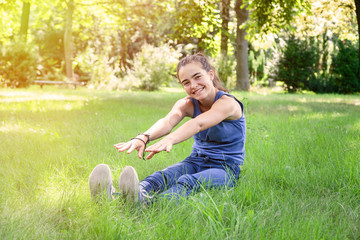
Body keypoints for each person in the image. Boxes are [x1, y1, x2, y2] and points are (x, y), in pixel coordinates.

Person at [89, 53, 246, 204]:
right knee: (161, 177)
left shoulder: (228, 104)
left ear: (210, 75)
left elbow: (198, 124)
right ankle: (115, 198)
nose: (193, 85)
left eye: (198, 77)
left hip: (225, 169)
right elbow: (168, 121)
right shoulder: (187, 104)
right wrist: (143, 137)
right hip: (196, 160)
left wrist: (170, 139)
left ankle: (145, 205)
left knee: (188, 182)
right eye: (186, 82)